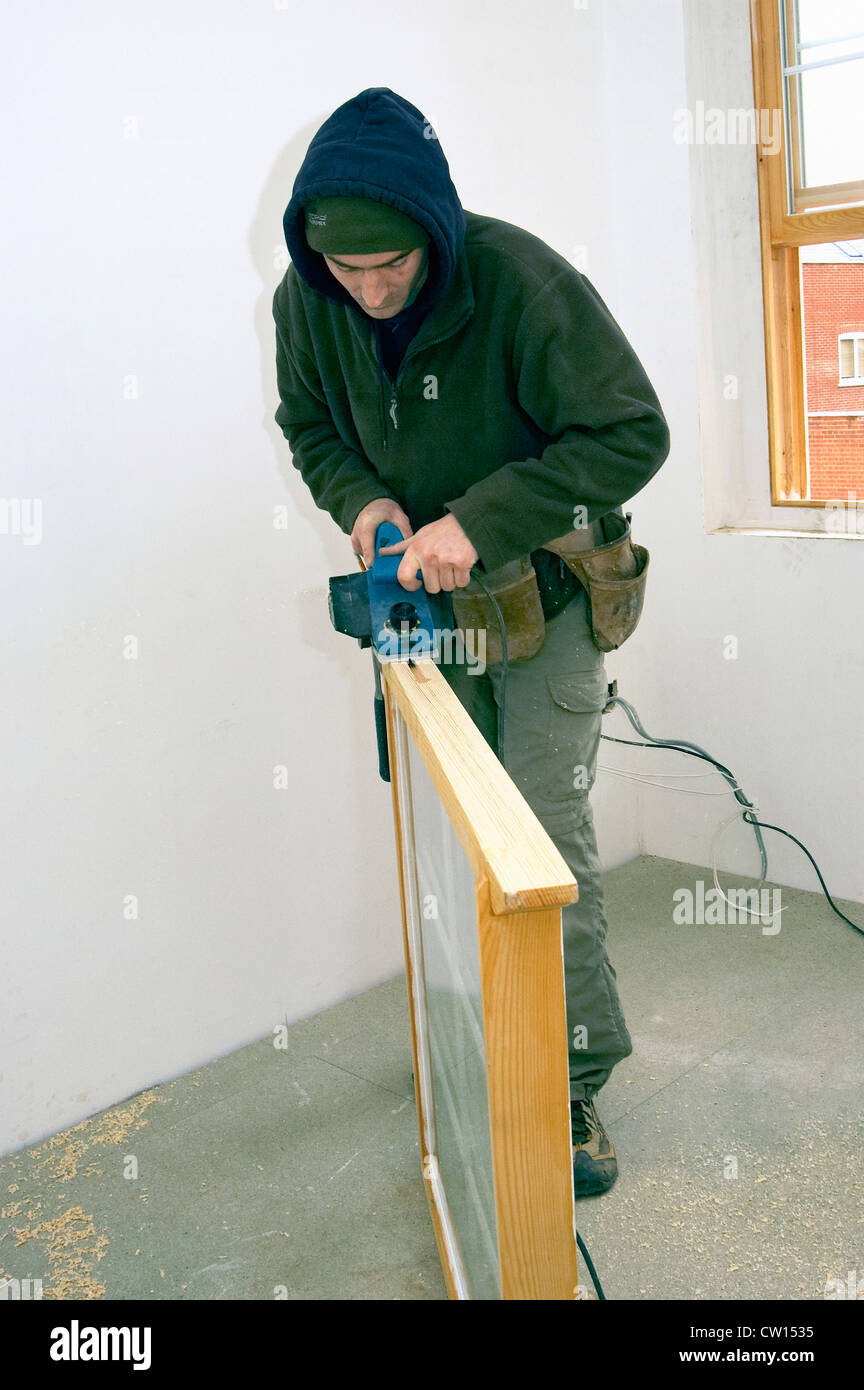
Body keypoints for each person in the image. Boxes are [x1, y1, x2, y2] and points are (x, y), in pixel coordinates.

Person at [273, 87, 670, 1198]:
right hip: (431, 615)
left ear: (435, 229)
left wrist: (478, 520)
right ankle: (499, 1033)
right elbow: (307, 424)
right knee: (461, 830)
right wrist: (362, 501)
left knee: (542, 839)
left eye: (389, 265)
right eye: (344, 272)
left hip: (545, 595)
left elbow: (635, 431)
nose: (370, 289)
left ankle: (574, 1077)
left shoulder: (522, 279)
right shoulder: (306, 301)